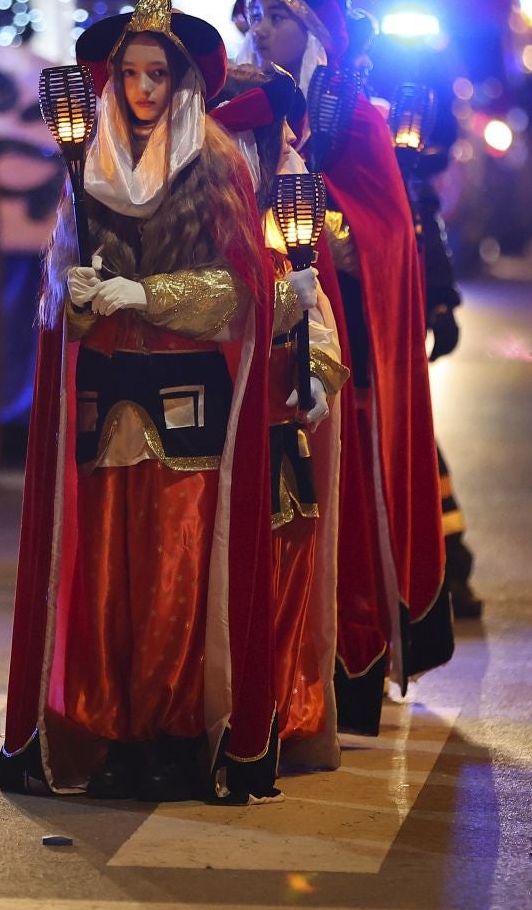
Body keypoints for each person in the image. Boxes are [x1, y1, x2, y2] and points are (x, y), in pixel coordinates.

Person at [0, 0, 278, 803]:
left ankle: (175, 735)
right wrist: (79, 294)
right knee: (104, 580)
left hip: (187, 397)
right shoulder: (85, 165)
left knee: (177, 579)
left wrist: (146, 296)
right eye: (131, 73)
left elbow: (239, 292)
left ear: (182, 78)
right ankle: (113, 732)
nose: (144, 89)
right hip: (104, 396)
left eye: (158, 73)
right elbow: (60, 308)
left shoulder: (215, 158)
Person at [246, 0, 455, 734]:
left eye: (278, 16)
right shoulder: (247, 110)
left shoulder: (355, 120)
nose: (261, 30)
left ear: (318, 28)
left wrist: (308, 229)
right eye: (254, 15)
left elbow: (375, 237)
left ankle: (347, 660)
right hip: (263, 345)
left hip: (344, 354)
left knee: (340, 499)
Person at [212, 59, 350, 774]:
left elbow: (316, 319)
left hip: (273, 428)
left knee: (279, 575)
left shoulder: (284, 217)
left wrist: (315, 374)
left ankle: (273, 712)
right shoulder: (196, 208)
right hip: (210, 427)